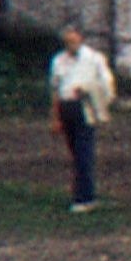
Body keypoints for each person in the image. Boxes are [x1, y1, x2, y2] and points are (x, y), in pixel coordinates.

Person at [48, 24, 114, 212]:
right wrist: (55, 118)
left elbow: (106, 84)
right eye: (67, 42)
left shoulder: (94, 59)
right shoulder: (59, 60)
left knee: (84, 151)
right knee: (75, 153)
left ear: (81, 39)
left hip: (84, 107)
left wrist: (90, 92)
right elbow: (55, 90)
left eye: (74, 41)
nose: (71, 45)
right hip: (66, 106)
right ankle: (85, 194)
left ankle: (83, 198)